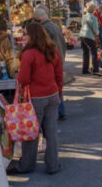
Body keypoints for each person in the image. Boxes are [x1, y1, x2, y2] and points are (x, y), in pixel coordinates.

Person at [11, 22, 63, 175]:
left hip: (36, 97)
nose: (23, 36)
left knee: (31, 133)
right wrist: (59, 92)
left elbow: (23, 79)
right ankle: (53, 165)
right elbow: (59, 75)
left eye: (25, 33)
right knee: (51, 132)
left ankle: (27, 165)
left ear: (31, 35)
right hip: (52, 94)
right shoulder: (52, 49)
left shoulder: (29, 54)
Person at [35, 7, 67, 120]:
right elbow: (63, 43)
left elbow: (45, 46)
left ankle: (59, 110)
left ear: (39, 18)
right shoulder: (55, 26)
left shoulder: (45, 28)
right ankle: (61, 110)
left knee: (53, 86)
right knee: (58, 84)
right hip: (59, 57)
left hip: (52, 59)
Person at [80, 3, 101, 76]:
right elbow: (96, 30)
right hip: (89, 37)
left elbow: (82, 25)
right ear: (93, 10)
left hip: (82, 35)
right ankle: (95, 69)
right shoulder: (94, 18)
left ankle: (85, 69)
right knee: (94, 53)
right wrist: (97, 33)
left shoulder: (83, 17)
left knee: (85, 53)